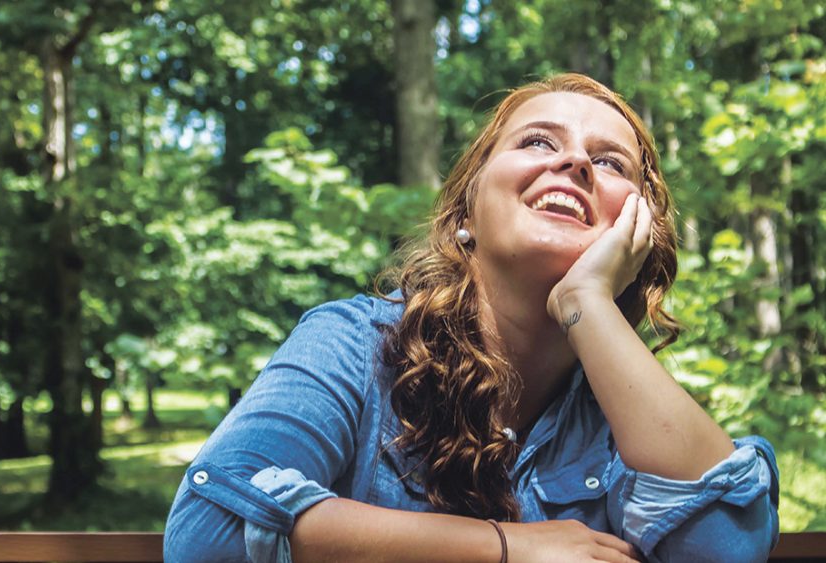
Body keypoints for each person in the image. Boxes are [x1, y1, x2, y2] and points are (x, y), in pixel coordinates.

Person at [163, 73, 779, 562]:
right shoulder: (351, 344)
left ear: (637, 231)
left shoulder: (628, 415)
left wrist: (585, 302)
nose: (576, 163)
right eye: (539, 141)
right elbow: (209, 530)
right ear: (467, 212)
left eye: (611, 162)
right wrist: (508, 548)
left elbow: (726, 549)